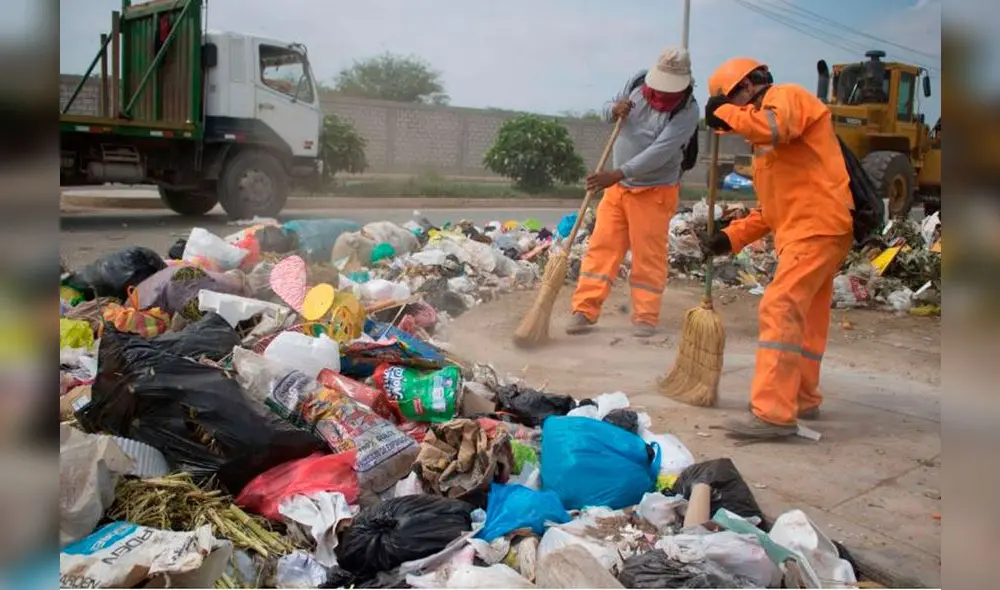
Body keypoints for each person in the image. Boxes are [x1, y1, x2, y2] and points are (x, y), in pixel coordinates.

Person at [702, 57, 854, 439]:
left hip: (815, 228)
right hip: (815, 229)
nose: (736, 123)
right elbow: (771, 210)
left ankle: (773, 413)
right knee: (807, 318)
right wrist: (730, 238)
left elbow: (771, 125)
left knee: (780, 306)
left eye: (734, 107)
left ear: (747, 86)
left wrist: (724, 111)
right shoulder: (769, 150)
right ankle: (802, 397)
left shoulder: (787, 97)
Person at [567, 47, 700, 338]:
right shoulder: (638, 83)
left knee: (647, 256)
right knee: (602, 249)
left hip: (655, 191)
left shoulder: (687, 111)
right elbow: (607, 110)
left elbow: (660, 153)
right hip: (618, 190)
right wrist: (614, 110)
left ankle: (645, 317)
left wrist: (616, 174)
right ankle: (584, 310)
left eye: (669, 89)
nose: (661, 93)